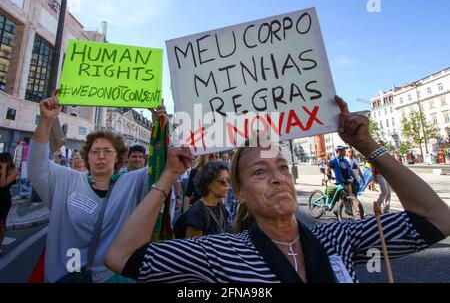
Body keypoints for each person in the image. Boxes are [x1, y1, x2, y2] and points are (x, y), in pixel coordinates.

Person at [105, 96, 450, 283]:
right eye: (259, 171)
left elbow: (437, 220)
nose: (277, 177)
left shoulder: (340, 238)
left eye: (282, 168)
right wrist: (167, 177)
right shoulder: (220, 252)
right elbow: (122, 257)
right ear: (238, 192)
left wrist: (368, 146)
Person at [28, 91, 166, 283]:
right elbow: (36, 166)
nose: (101, 156)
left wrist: (160, 129)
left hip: (112, 276)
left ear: (118, 157)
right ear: (87, 156)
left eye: (108, 151)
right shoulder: (67, 180)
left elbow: (163, 169)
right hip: (68, 275)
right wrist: (46, 120)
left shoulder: (130, 182)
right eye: (95, 151)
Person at [181, 161, 231, 238]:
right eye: (223, 181)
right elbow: (193, 248)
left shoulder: (220, 207)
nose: (227, 184)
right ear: (208, 184)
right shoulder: (197, 213)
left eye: (228, 180)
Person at [0, 152, 20, 254]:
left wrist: (3, 169)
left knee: (1, 223)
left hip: (3, 200)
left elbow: (3, 184)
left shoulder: (14, 170)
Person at [374, 140, 392, 214]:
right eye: (379, 144)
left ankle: (386, 210)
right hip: (379, 174)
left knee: (389, 193)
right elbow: (372, 166)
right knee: (385, 191)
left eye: (382, 144)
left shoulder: (385, 153)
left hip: (386, 175)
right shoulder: (374, 154)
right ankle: (377, 206)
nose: (381, 146)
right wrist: (374, 177)